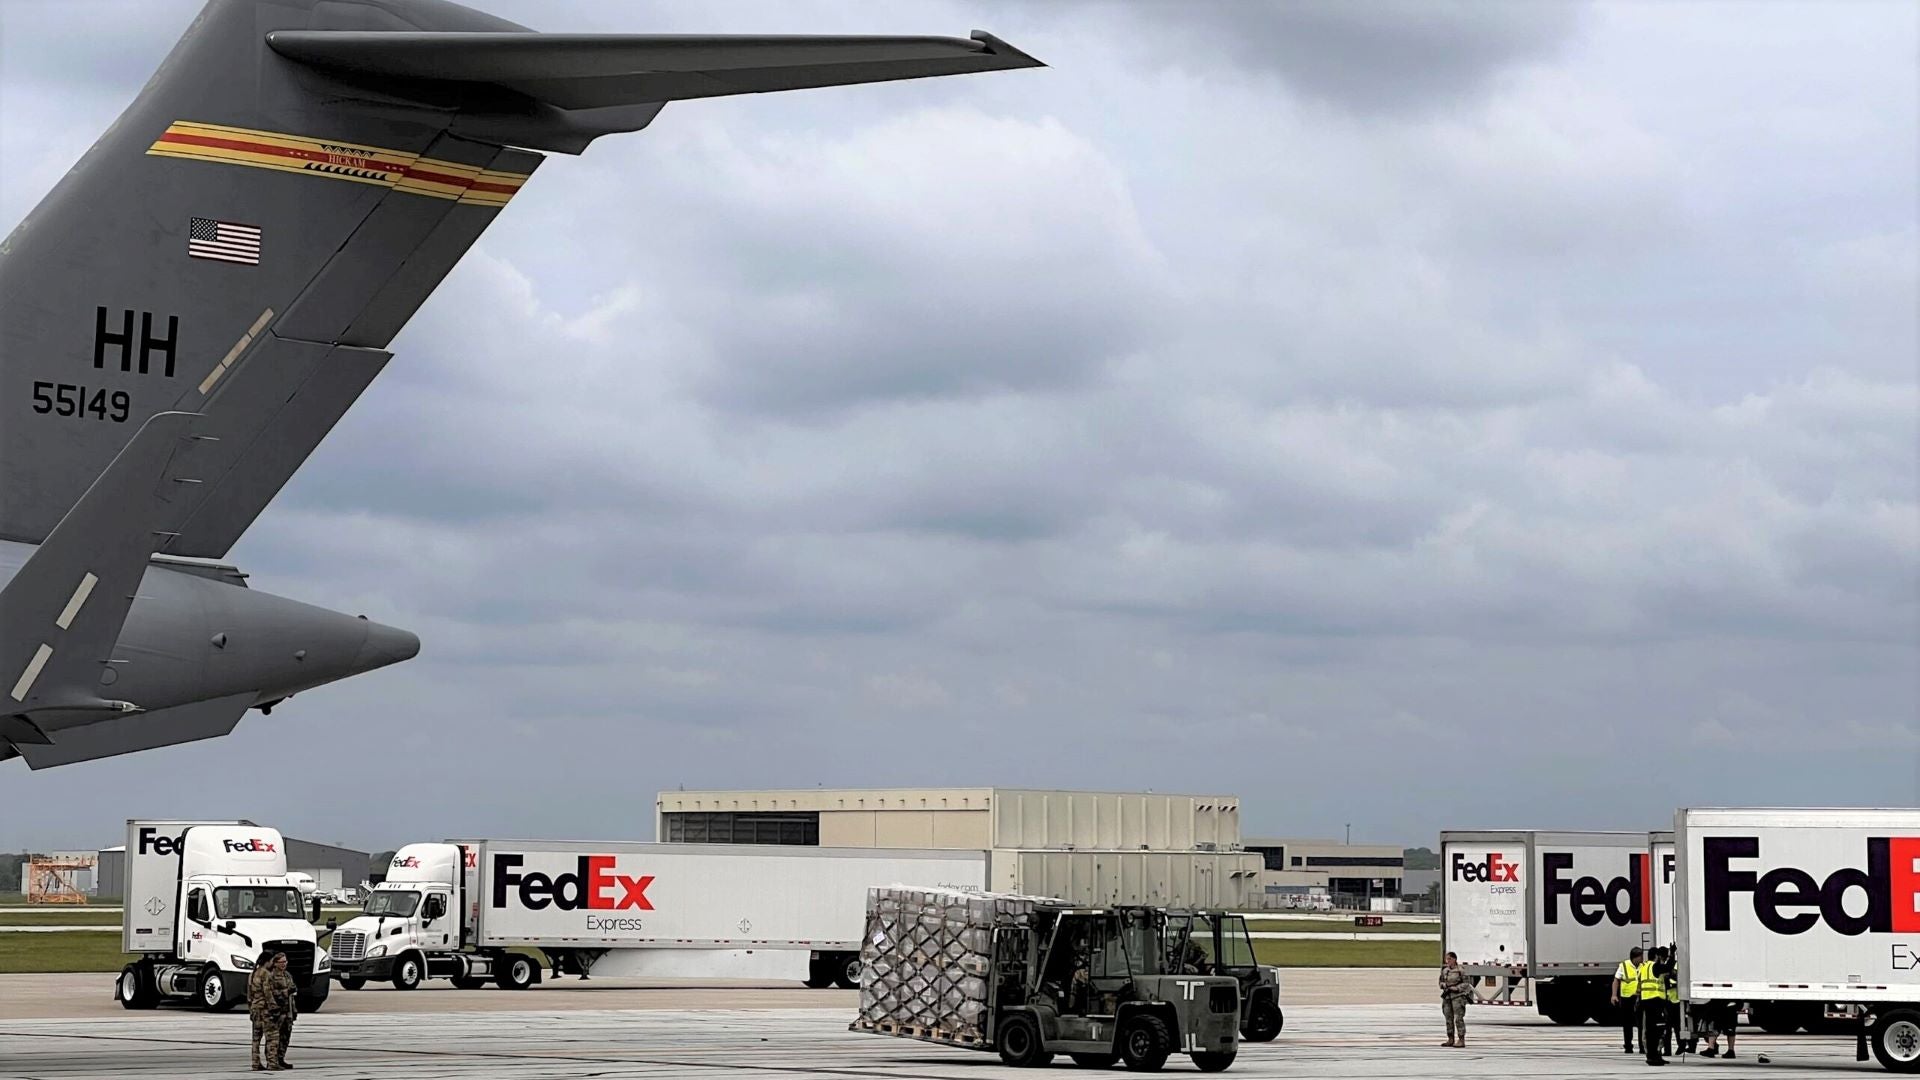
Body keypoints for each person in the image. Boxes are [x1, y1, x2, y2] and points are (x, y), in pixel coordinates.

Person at [264, 951, 299, 1070]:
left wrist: (293, 1010)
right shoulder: (271, 975)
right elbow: (271, 993)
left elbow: (291, 994)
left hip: (288, 1011)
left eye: (285, 961)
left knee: (285, 1037)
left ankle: (280, 1058)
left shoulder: (288, 975)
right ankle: (272, 1061)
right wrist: (286, 992)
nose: (284, 964)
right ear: (275, 963)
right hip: (277, 1012)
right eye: (281, 962)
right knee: (274, 1038)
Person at [1639, 946, 1673, 1066]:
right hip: (1655, 1001)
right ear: (1656, 956)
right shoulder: (1654, 966)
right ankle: (1654, 1057)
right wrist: (1672, 955)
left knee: (1650, 1031)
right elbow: (1668, 967)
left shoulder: (1643, 967)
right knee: (1656, 1031)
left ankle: (1653, 1055)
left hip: (1646, 1001)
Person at [247, 951, 279, 1071]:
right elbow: (268, 993)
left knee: (256, 1038)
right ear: (268, 961)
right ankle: (272, 1063)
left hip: (255, 1009)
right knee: (272, 1037)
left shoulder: (253, 974)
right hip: (265, 1009)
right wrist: (274, 1007)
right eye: (272, 961)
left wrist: (251, 1008)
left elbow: (249, 995)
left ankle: (255, 1062)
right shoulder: (266, 974)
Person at [1612, 946, 1644, 1054]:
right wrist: (1614, 995)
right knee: (1627, 1024)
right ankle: (1628, 1046)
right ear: (1634, 958)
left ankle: (1642, 1046)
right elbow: (1616, 981)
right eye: (1640, 957)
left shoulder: (1643, 966)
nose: (1642, 959)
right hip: (1627, 998)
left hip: (1639, 997)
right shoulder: (1624, 966)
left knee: (1641, 1024)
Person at [1439, 951, 1472, 1048]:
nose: (1448, 961)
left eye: (1449, 959)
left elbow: (1466, 984)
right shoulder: (1445, 971)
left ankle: (1461, 1039)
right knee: (1448, 1018)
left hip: (1457, 997)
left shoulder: (1461, 970)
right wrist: (1445, 985)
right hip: (1447, 997)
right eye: (1447, 959)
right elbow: (1440, 982)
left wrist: (1457, 988)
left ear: (1454, 959)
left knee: (1458, 1018)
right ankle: (1450, 1038)